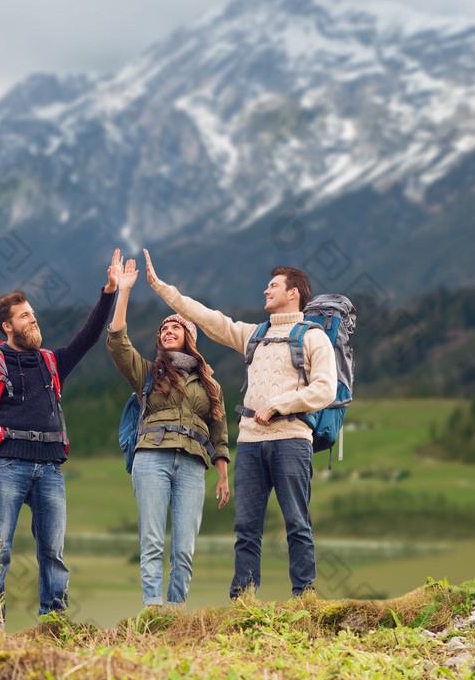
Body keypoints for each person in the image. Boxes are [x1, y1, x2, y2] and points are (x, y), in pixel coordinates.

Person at [144, 249, 337, 600]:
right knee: (246, 527)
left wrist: (280, 404)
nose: (266, 291)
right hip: (249, 443)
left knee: (296, 521)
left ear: (293, 292)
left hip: (292, 438)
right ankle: (242, 601)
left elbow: (326, 388)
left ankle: (304, 597)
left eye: (273, 285)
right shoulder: (253, 335)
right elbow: (207, 318)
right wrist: (162, 288)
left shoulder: (313, 337)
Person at [0, 263, 117, 633]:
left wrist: (109, 292)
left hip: (51, 469)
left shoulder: (52, 362)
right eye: (25, 317)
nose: (33, 320)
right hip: (6, 467)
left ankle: (54, 622)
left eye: (33, 314)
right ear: (8, 326)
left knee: (53, 552)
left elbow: (88, 337)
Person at [106, 250, 230, 608]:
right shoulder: (147, 372)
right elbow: (117, 342)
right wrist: (124, 292)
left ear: (189, 336)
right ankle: (153, 610)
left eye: (176, 326)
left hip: (193, 464)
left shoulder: (211, 385)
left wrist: (222, 474)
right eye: (164, 328)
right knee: (152, 541)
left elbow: (219, 435)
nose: (168, 330)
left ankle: (175, 613)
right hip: (152, 459)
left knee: (185, 548)